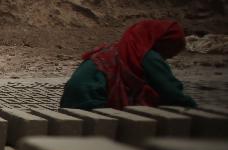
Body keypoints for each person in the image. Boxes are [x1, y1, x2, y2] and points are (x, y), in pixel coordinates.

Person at [60, 19, 197, 110]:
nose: (167, 58)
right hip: (90, 102)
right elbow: (171, 92)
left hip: (69, 102)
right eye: (171, 52)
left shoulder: (114, 50)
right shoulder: (147, 56)